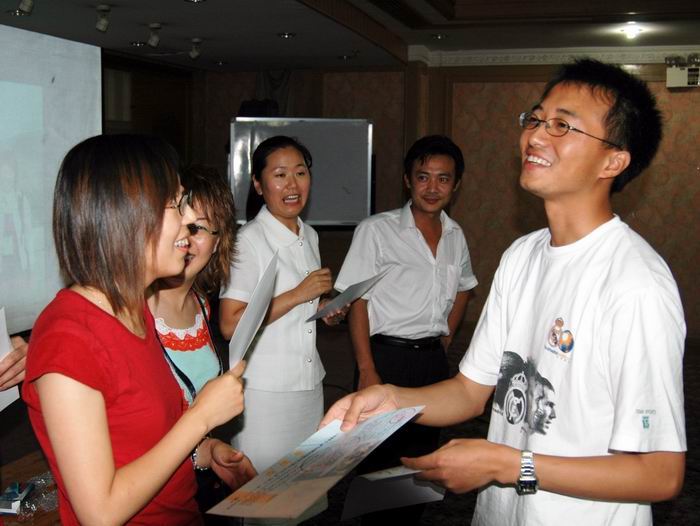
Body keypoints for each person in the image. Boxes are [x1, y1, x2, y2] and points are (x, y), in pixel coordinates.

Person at [322, 59, 686, 525]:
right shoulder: (522, 255)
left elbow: (659, 474)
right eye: (535, 119)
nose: (535, 136)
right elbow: (470, 393)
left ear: (613, 161)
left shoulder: (635, 283)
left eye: (562, 126)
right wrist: (390, 398)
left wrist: (509, 465)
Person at [22, 134, 247, 525]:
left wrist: (205, 451)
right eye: (174, 205)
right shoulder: (68, 337)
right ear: (127, 217)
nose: (186, 222)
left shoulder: (135, 311)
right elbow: (100, 512)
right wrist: (201, 418)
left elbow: (143, 441)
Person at [333, 135, 477, 523]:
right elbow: (357, 301)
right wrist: (367, 369)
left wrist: (445, 337)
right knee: (377, 466)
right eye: (423, 177)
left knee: (420, 466)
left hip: (431, 363)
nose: (432, 188)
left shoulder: (455, 235)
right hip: (385, 359)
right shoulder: (376, 230)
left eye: (443, 179)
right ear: (407, 180)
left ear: (456, 185)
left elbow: (465, 287)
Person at [219, 136, 343, 524]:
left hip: (308, 386)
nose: (292, 185)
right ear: (258, 185)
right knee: (266, 507)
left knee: (302, 501)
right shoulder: (249, 241)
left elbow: (294, 311)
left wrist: (323, 310)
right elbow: (230, 323)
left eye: (300, 173)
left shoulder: (309, 234)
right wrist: (298, 294)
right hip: (265, 395)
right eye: (280, 175)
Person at [148, 166, 256, 518]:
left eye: (198, 229)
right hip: (146, 488)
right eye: (178, 224)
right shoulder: (134, 309)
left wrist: (208, 451)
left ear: (219, 240)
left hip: (196, 476)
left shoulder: (202, 304)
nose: (185, 238)